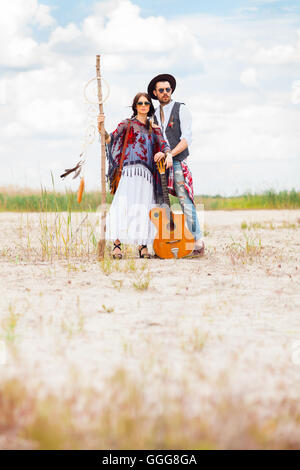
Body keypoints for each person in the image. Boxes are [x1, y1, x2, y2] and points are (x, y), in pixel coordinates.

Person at [98, 92, 170, 259]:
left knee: (145, 209)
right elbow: (110, 139)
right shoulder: (127, 124)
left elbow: (165, 146)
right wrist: (101, 127)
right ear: (135, 106)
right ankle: (117, 244)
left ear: (150, 106)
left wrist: (165, 154)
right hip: (129, 173)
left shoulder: (155, 129)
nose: (143, 105)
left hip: (147, 176)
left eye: (146, 103)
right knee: (122, 206)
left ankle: (142, 245)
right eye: (140, 103)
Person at [147, 73, 205, 257]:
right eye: (161, 90)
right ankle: (163, 242)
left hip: (177, 161)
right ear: (155, 93)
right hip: (160, 165)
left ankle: (198, 241)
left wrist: (170, 154)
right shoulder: (153, 115)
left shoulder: (181, 109)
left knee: (185, 200)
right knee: (161, 203)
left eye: (168, 89)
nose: (165, 93)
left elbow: (186, 138)